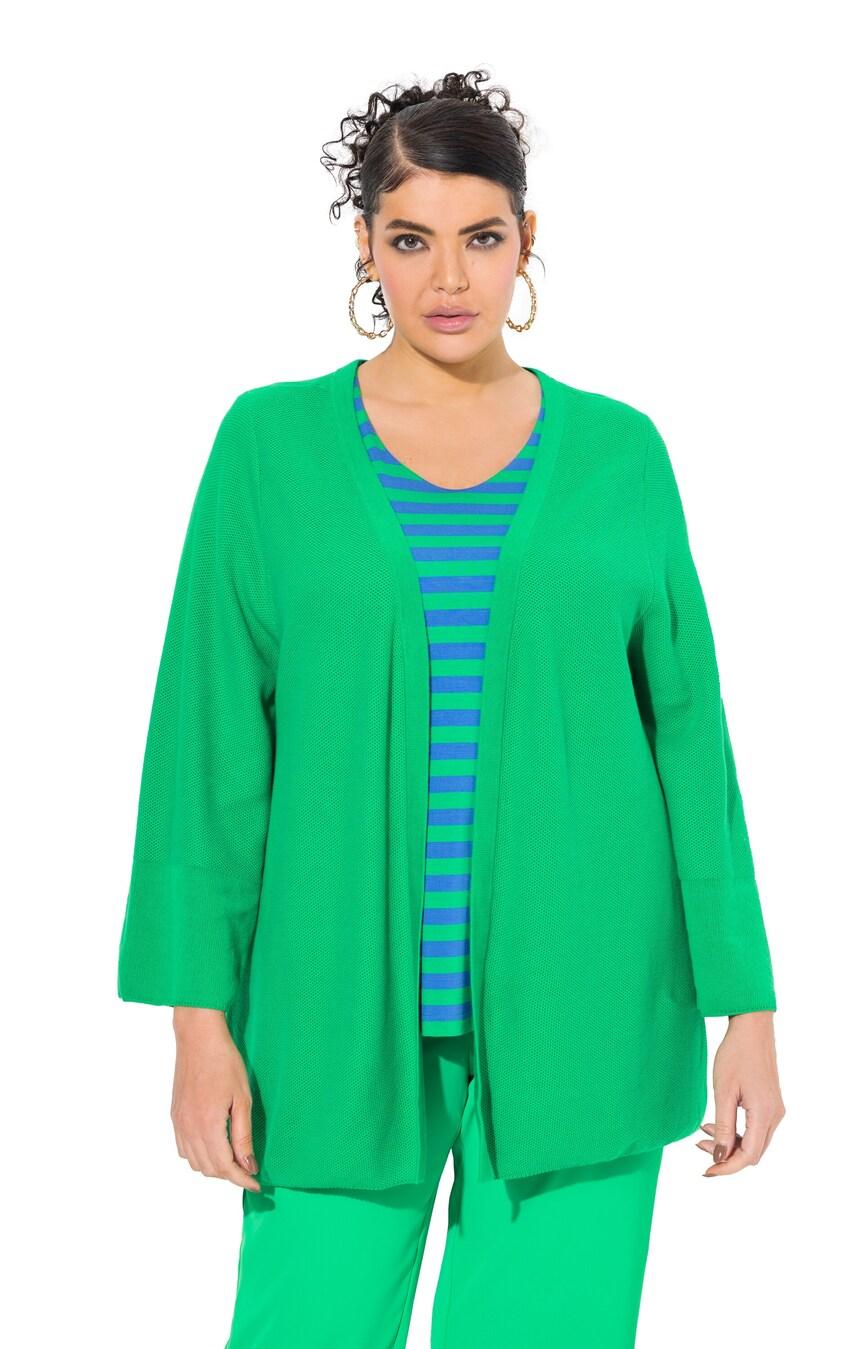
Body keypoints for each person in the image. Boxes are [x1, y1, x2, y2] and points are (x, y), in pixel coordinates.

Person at [117, 68, 786, 1348]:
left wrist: (744, 1005)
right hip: (325, 1008)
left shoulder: (621, 454)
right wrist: (199, 1026)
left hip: (590, 998)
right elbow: (208, 751)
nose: (449, 277)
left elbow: (692, 746)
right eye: (412, 239)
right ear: (365, 245)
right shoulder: (269, 447)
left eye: (481, 237)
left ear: (526, 241)